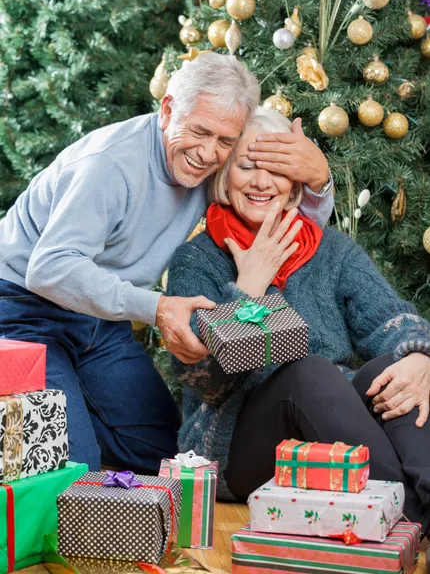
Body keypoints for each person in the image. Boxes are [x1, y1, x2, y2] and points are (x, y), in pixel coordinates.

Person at [0, 53, 334, 473]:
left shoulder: (211, 166)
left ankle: (79, 413)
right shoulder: (109, 166)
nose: (208, 152)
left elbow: (282, 223)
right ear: (167, 109)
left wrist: (319, 179)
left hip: (99, 322)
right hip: (23, 310)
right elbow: (49, 269)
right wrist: (158, 308)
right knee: (64, 474)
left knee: (164, 457)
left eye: (225, 141)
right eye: (199, 131)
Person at [167, 106, 430, 534]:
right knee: (308, 374)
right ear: (223, 177)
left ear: (294, 188)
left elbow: (391, 318)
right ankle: (408, 513)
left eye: (276, 169)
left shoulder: (331, 250)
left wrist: (419, 356)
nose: (260, 181)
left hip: (331, 426)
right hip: (233, 443)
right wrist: (248, 289)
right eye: (247, 166)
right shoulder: (197, 260)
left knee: (394, 367)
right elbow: (203, 379)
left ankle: (419, 500)